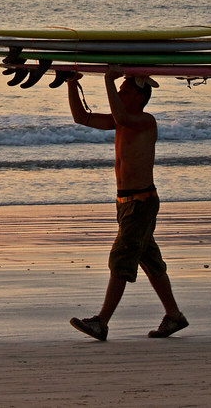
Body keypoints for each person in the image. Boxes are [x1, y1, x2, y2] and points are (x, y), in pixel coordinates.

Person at [67, 65, 188, 341]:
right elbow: (81, 117)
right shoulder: (119, 120)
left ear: (139, 96)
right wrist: (72, 83)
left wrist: (109, 79)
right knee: (150, 261)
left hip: (141, 202)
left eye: (124, 89)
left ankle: (101, 322)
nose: (120, 92)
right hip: (127, 204)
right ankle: (174, 316)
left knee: (121, 257)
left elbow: (121, 115)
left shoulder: (145, 121)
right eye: (119, 88)